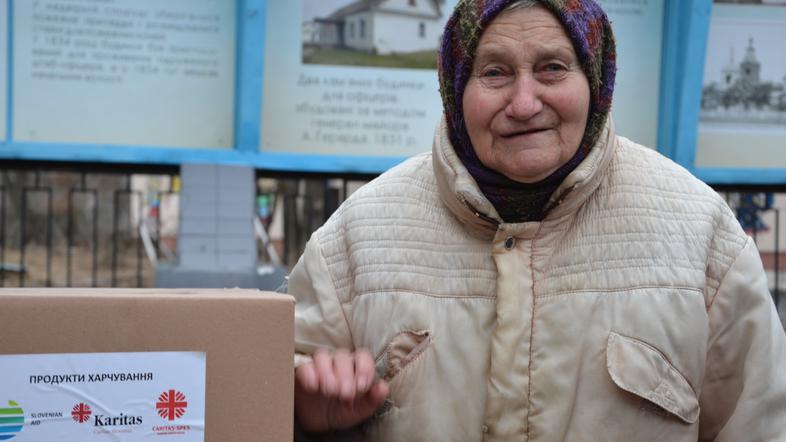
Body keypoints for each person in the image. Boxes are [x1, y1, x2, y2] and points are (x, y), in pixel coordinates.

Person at [288, 0, 786, 440]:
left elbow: (762, 425)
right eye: (495, 73)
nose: (524, 104)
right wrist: (304, 413)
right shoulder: (354, 238)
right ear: (455, 88)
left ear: (595, 81)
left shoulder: (701, 234)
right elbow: (260, 399)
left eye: (552, 68)